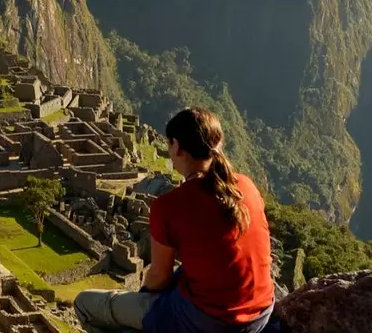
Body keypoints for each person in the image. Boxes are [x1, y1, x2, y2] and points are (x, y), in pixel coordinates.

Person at [74, 107, 274, 333]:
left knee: (84, 304)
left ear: (177, 146)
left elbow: (159, 276)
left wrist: (145, 303)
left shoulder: (169, 205)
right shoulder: (246, 185)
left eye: (169, 145)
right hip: (262, 312)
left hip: (210, 322)